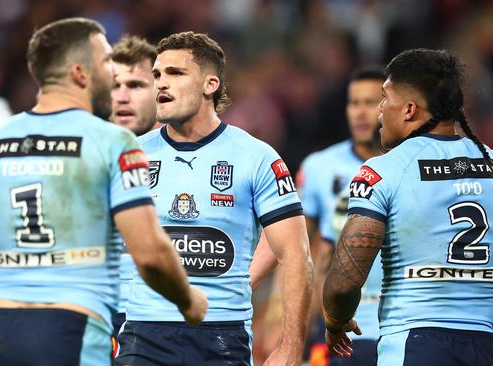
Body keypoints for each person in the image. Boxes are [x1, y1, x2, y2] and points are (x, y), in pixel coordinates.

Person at [0, 18, 207, 366]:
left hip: (0, 333)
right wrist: (188, 301)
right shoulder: (112, 143)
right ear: (80, 73)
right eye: (106, 62)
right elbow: (149, 253)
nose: (114, 77)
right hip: (72, 329)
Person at [116, 31, 313, 366]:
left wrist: (290, 348)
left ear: (210, 84)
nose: (161, 84)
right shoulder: (131, 155)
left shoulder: (257, 157)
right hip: (143, 333)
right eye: (157, 75)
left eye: (176, 73)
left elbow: (296, 255)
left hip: (222, 336)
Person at [323, 48, 493, 366]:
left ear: (410, 110)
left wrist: (335, 321)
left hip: (415, 341)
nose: (379, 111)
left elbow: (345, 281)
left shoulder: (382, 171)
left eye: (385, 99)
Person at [296, 68, 385, 366]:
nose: (360, 113)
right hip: (338, 329)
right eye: (354, 103)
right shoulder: (319, 166)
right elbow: (303, 254)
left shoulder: (406, 167)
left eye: (371, 102)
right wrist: (293, 330)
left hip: (397, 327)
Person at [109, 34, 161, 337]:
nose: (122, 96)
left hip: (164, 319)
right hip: (99, 318)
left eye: (136, 85)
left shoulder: (192, 156)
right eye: (115, 85)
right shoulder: (86, 154)